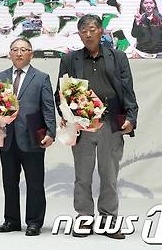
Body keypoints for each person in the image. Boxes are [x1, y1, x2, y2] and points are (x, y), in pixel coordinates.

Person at [56, 14, 138, 239]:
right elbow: (60, 92)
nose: (88, 33)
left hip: (111, 123)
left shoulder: (118, 57)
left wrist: (131, 117)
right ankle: (84, 219)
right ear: (79, 34)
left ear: (101, 31)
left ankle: (109, 220)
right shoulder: (70, 59)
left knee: (109, 175)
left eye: (92, 29)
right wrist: (66, 114)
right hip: (82, 126)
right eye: (83, 30)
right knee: (82, 176)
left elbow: (127, 90)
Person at [0, 37, 56, 236]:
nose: (19, 53)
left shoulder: (41, 77)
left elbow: (48, 108)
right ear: (9, 53)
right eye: (15, 49)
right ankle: (11, 220)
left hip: (33, 138)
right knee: (9, 182)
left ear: (31, 54)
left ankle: (34, 221)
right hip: (7, 138)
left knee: (35, 182)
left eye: (23, 49)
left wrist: (51, 132)